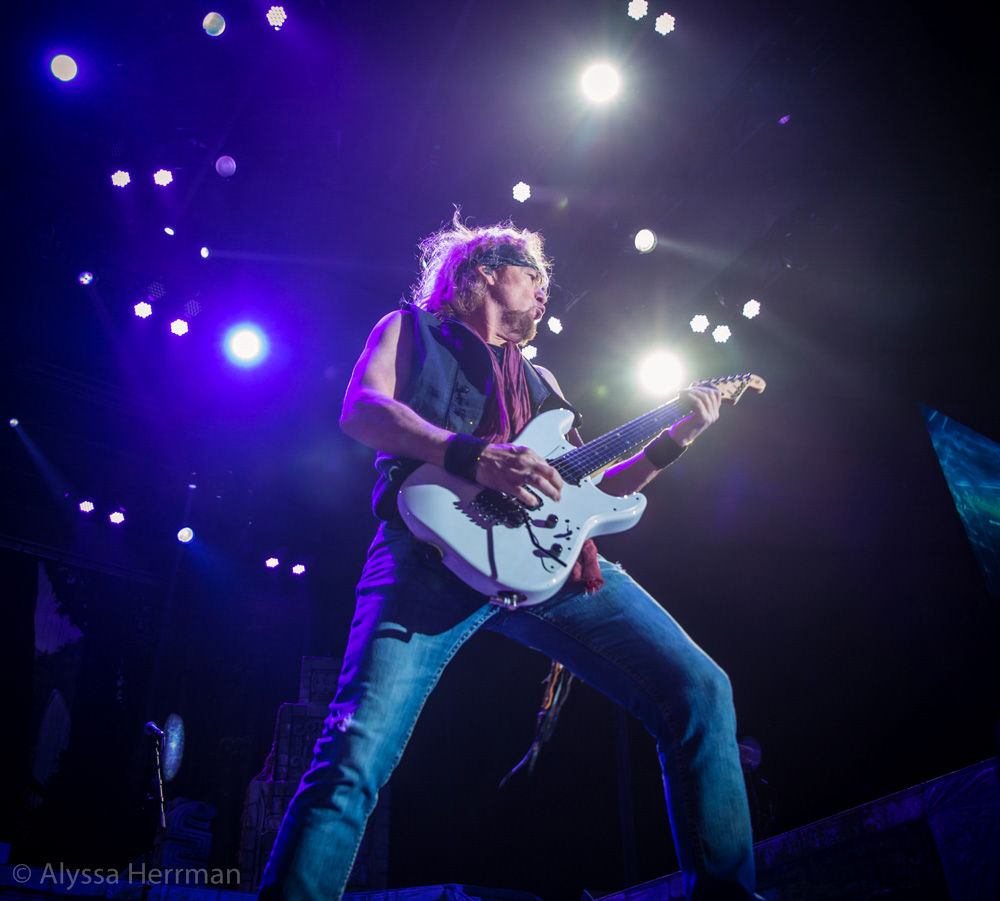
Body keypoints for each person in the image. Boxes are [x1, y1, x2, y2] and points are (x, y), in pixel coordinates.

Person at [258, 215, 760, 900]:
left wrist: (677, 438)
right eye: (535, 275)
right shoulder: (410, 330)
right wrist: (474, 454)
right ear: (485, 269)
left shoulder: (543, 382)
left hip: (548, 565)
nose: (545, 292)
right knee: (354, 753)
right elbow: (362, 408)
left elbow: (594, 492)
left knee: (700, 687)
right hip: (426, 554)